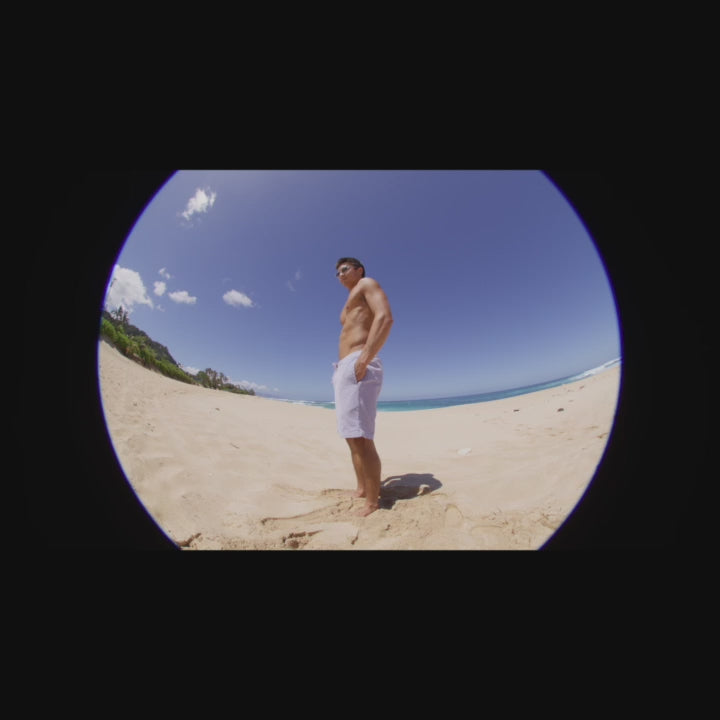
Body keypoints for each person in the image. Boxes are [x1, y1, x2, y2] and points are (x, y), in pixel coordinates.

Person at [332, 257, 393, 516]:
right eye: (337, 273)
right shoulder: (348, 302)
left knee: (361, 438)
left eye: (344, 269)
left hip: (360, 361)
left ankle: (372, 502)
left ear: (359, 270)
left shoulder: (367, 283)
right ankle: (361, 488)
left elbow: (385, 317)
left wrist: (366, 356)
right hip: (344, 367)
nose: (340, 275)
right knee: (351, 436)